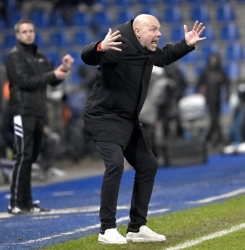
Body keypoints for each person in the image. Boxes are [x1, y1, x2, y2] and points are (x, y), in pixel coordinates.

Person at [81, 14, 206, 244]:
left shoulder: (146, 48)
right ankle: (106, 229)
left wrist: (186, 44)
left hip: (127, 118)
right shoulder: (117, 42)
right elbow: (86, 56)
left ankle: (137, 227)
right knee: (115, 164)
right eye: (153, 29)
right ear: (138, 32)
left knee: (148, 164)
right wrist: (99, 46)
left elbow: (164, 57)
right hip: (103, 116)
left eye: (159, 29)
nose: (158, 33)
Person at [5, 18, 74, 215]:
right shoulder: (14, 57)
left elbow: (53, 82)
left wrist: (64, 69)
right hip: (22, 112)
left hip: (38, 113)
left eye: (30, 30)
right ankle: (15, 202)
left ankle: (26, 202)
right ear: (17, 35)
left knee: (32, 157)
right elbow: (25, 81)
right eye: (24, 31)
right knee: (23, 156)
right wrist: (54, 74)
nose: (28, 34)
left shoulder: (41, 57)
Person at [196, 53, 230, 147]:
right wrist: (198, 95)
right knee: (214, 118)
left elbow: (227, 84)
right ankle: (215, 138)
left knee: (216, 119)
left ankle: (212, 138)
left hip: (218, 98)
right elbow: (199, 83)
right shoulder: (206, 71)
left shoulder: (220, 71)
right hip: (209, 99)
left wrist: (227, 95)